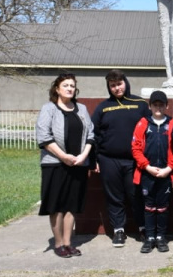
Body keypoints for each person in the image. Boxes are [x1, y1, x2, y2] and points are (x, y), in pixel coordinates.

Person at [36, 73, 94, 258]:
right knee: (57, 206)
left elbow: (91, 135)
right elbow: (44, 137)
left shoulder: (82, 109)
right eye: (66, 85)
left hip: (78, 164)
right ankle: (59, 244)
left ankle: (69, 243)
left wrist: (83, 155)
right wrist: (63, 157)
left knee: (71, 205)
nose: (69, 88)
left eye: (72, 86)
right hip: (55, 164)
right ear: (57, 88)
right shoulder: (49, 109)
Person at [91, 69, 149, 247]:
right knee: (114, 197)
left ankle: (142, 228)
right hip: (109, 160)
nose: (117, 88)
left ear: (126, 82)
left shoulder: (140, 104)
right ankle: (118, 231)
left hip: (134, 161)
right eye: (113, 85)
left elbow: (150, 130)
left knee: (136, 195)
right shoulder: (103, 107)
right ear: (109, 87)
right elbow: (94, 135)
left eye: (119, 83)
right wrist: (95, 159)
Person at [132, 91, 173, 253]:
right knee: (149, 207)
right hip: (148, 173)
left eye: (161, 104)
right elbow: (136, 148)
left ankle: (161, 237)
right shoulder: (143, 123)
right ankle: (149, 237)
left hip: (165, 173)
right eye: (155, 104)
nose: (158, 107)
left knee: (162, 207)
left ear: (166, 106)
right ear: (150, 106)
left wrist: (169, 168)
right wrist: (147, 167)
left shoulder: (172, 123)